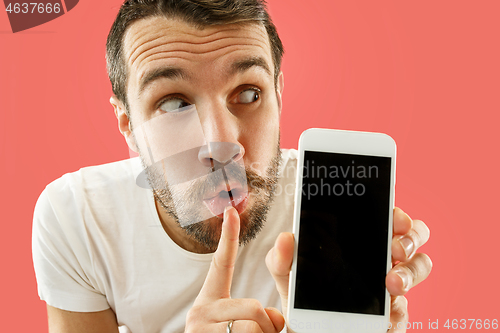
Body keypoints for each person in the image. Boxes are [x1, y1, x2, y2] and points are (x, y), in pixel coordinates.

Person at [32, 0, 432, 332]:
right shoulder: (78, 217)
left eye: (248, 92)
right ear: (128, 126)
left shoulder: (334, 197)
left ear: (278, 94)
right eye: (173, 103)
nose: (222, 146)